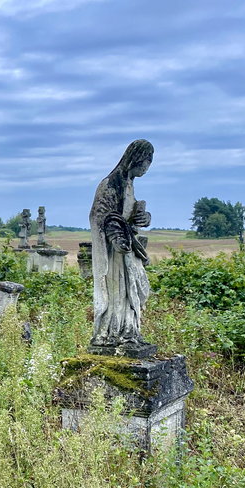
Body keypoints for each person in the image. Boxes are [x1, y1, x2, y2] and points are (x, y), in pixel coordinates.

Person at [88, 139, 156, 356]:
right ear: (135, 159)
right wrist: (116, 236)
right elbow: (102, 216)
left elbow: (129, 218)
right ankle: (112, 334)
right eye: (146, 163)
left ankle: (129, 333)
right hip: (114, 254)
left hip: (127, 251)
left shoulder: (128, 184)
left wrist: (143, 218)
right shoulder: (110, 184)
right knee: (118, 293)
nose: (146, 168)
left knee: (133, 292)